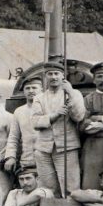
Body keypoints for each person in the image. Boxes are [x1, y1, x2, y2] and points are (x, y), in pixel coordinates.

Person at [30, 62, 86, 197]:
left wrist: (71, 92)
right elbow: (35, 122)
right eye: (50, 74)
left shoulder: (74, 94)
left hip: (67, 147)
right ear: (45, 77)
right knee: (47, 189)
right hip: (43, 149)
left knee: (71, 188)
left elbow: (79, 116)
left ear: (63, 76)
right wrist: (55, 115)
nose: (53, 77)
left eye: (57, 74)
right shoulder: (39, 98)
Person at [4, 76, 42, 173]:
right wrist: (10, 157)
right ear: (24, 91)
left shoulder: (48, 108)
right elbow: (13, 137)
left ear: (42, 89)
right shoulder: (19, 112)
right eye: (27, 88)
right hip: (27, 161)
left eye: (34, 88)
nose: (31, 91)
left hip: (46, 161)